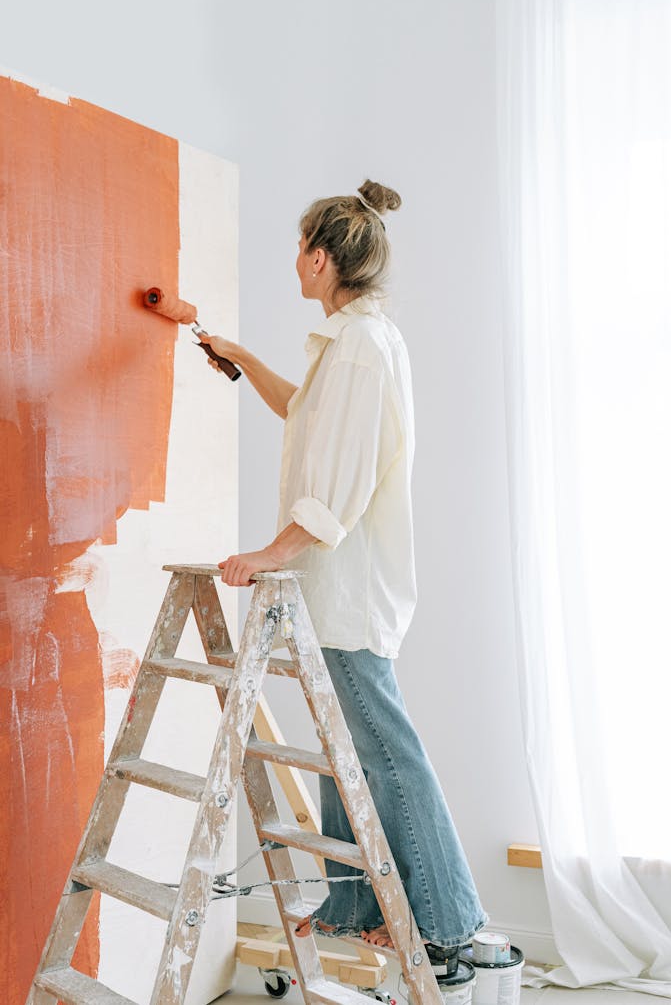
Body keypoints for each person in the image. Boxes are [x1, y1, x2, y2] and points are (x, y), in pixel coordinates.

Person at [199, 179, 487, 970]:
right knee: (347, 754)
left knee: (384, 752)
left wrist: (269, 552)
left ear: (321, 258)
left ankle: (448, 922)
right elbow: (303, 414)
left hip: (351, 592)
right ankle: (356, 906)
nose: (293, 261)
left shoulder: (361, 348)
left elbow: (340, 487)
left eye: (299, 249)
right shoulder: (349, 343)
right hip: (335, 593)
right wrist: (243, 358)